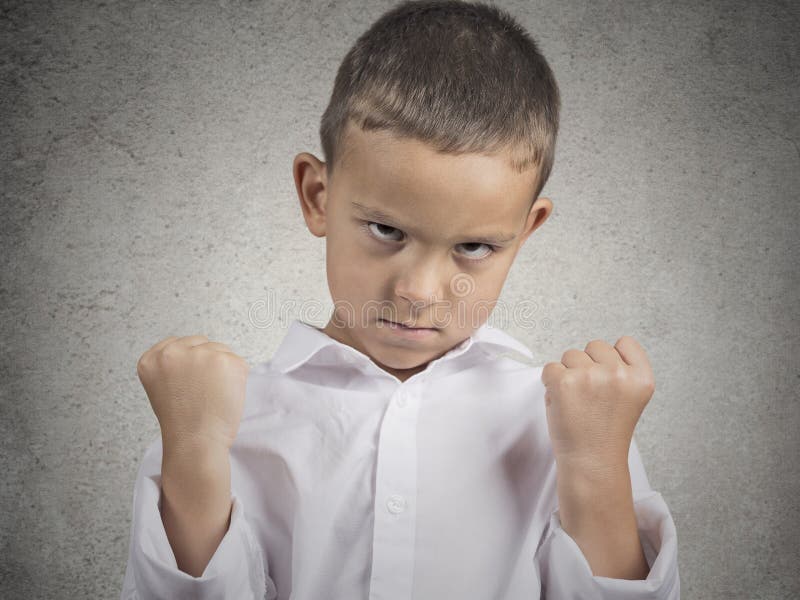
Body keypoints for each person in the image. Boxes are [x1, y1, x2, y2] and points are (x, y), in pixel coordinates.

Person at [119, 1, 681, 598]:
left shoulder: (566, 427)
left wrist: (595, 467)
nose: (418, 292)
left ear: (526, 230)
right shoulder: (215, 418)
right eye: (386, 231)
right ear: (317, 195)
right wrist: (197, 453)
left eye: (474, 245)